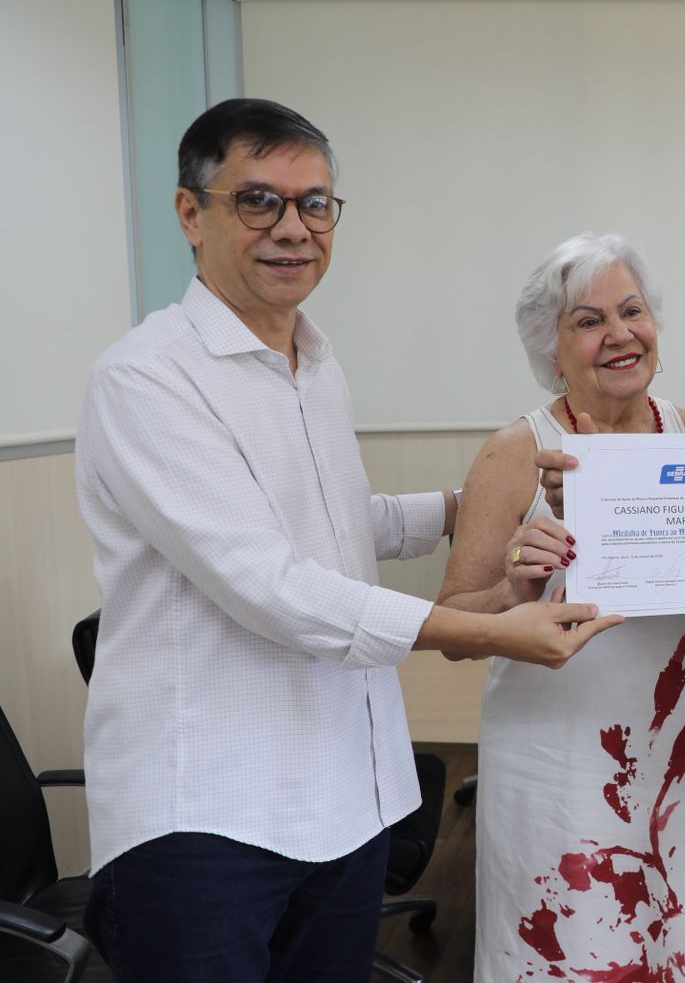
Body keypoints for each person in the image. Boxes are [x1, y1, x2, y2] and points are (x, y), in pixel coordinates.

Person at [74, 98, 620, 983]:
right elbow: (270, 583)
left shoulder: (315, 365)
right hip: (208, 818)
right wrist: (482, 631)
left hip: (345, 799)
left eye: (316, 204)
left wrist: (471, 500)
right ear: (190, 213)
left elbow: (337, 525)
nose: (294, 229)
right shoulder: (147, 380)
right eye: (260, 201)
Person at [436, 232, 685, 983]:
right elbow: (457, 624)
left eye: (633, 311)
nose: (619, 334)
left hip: (679, 758)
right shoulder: (515, 452)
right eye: (588, 321)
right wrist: (519, 581)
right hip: (557, 770)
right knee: (577, 955)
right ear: (551, 349)